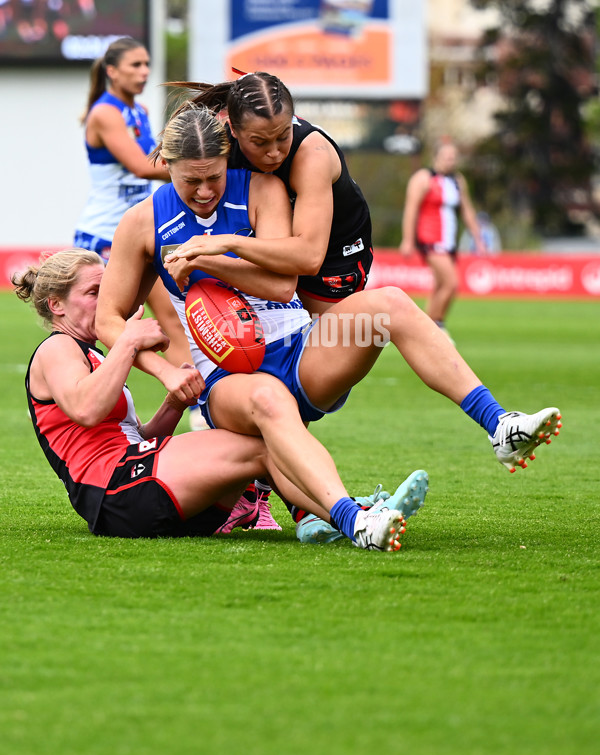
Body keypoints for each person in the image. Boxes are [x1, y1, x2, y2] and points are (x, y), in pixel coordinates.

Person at [95, 103, 562, 542]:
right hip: (227, 379)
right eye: (189, 181)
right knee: (269, 399)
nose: (203, 191)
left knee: (392, 305)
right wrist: (164, 371)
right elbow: (108, 320)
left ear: (226, 158)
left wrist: (212, 255)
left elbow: (281, 286)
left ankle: (499, 424)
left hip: (302, 348)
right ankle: (355, 520)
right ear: (165, 165)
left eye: (213, 177)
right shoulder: (142, 222)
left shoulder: (261, 188)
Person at [12, 248, 408, 551]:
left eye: (107, 290)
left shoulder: (94, 354)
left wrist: (173, 404)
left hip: (139, 487)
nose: (105, 301)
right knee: (264, 447)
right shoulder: (57, 349)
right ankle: (353, 517)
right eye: (92, 292)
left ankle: (334, 515)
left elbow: (135, 437)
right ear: (56, 305)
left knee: (267, 439)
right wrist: (129, 341)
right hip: (116, 495)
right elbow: (86, 409)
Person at [167, 71, 373, 317]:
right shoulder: (221, 143)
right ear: (232, 128)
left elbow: (309, 258)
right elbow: (181, 170)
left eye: (282, 136)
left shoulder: (312, 155)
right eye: (259, 142)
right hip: (268, 242)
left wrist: (225, 242)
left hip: (333, 256)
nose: (274, 152)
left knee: (323, 345)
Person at [72, 36, 195, 392]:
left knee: (172, 316)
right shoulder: (104, 112)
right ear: (112, 71)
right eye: (135, 65)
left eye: (146, 64)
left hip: (143, 233)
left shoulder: (138, 112)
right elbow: (142, 166)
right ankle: (84, 395)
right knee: (96, 327)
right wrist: (201, 166)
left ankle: (199, 396)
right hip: (103, 236)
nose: (144, 72)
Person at [400, 141, 486, 336]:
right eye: (447, 156)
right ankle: (436, 327)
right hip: (430, 239)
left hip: (449, 243)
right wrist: (408, 239)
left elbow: (467, 210)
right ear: (436, 156)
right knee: (451, 283)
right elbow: (411, 209)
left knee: (439, 286)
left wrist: (478, 238)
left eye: (454, 157)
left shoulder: (457, 180)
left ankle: (423, 330)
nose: (451, 161)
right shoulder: (423, 179)